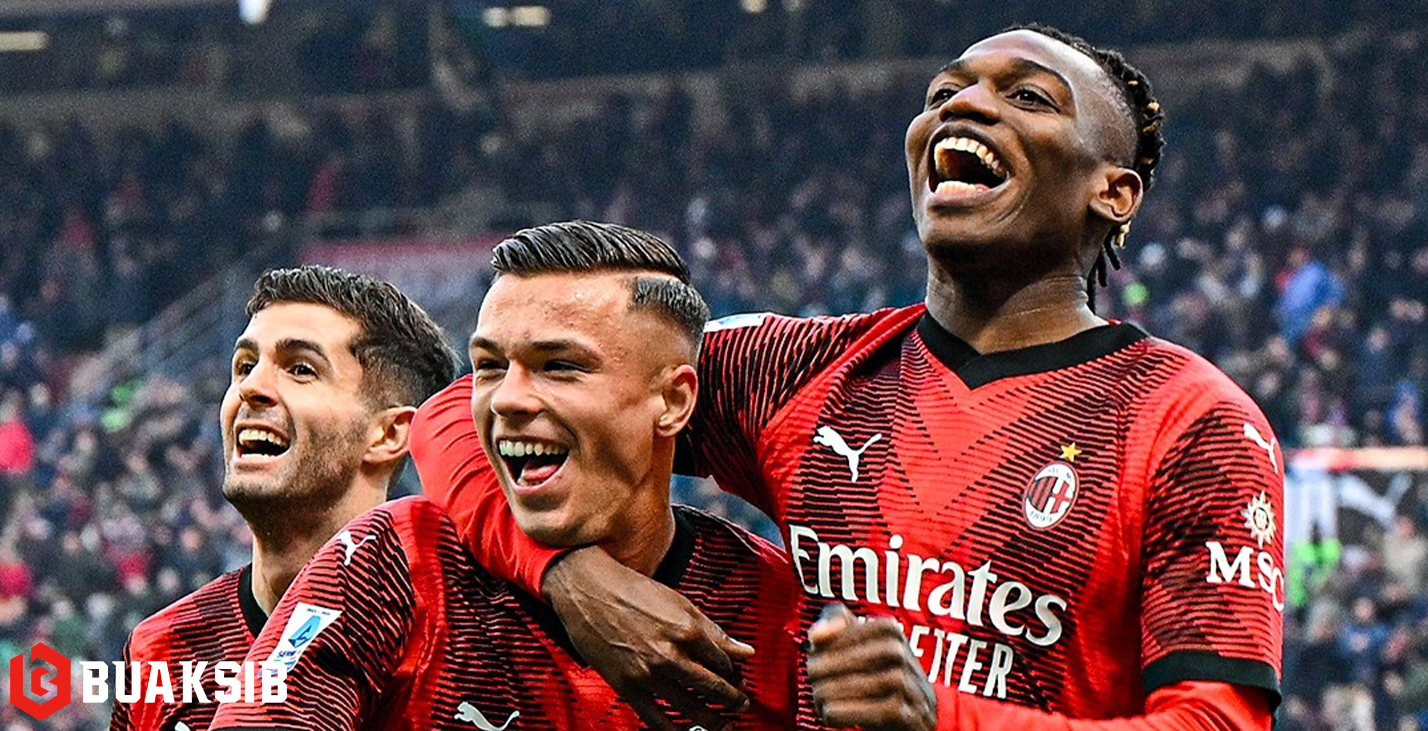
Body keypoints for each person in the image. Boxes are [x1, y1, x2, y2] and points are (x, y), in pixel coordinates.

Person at [439, 25, 1285, 730]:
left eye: (1029, 97)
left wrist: (942, 718)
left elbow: (1216, 721)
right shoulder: (789, 370)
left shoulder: (1191, 421)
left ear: (1115, 191)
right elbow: (459, 416)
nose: (965, 105)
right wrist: (569, 577)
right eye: (945, 91)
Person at [211, 221, 798, 731]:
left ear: (672, 400)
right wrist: (565, 574)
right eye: (489, 366)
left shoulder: (777, 614)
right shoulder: (395, 562)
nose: (507, 399)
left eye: (559, 366)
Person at [110, 266, 458, 730]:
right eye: (244, 366)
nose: (250, 387)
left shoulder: (470, 645)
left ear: (389, 434)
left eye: (300, 369)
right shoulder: (161, 650)